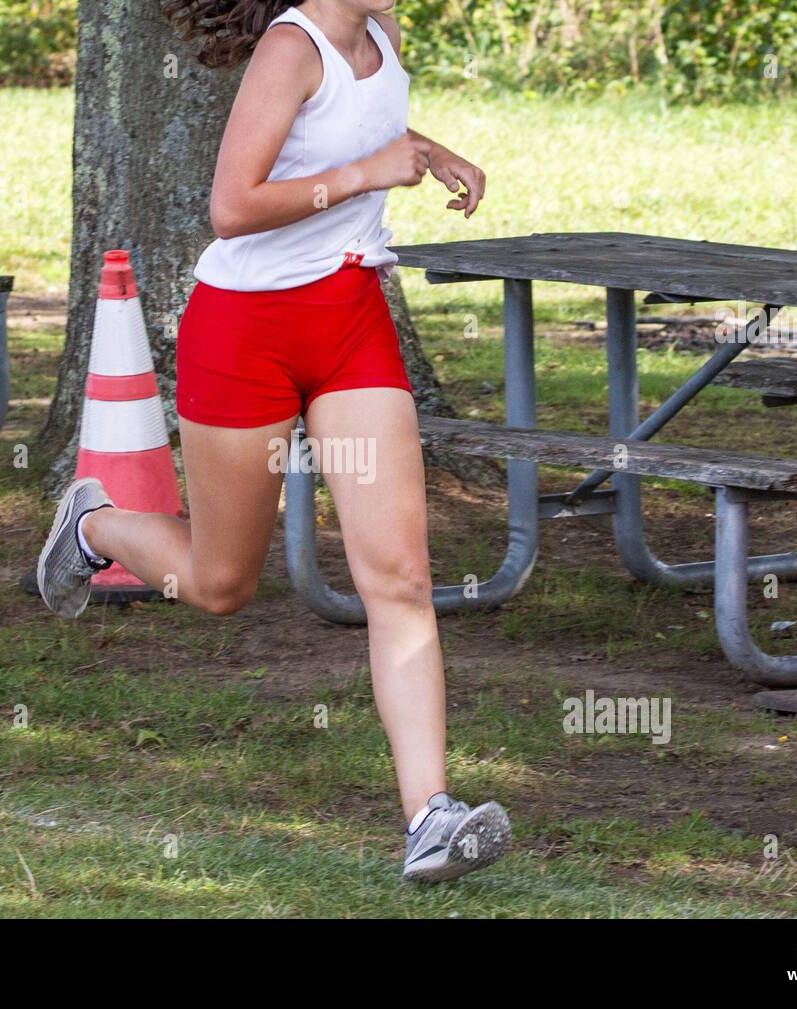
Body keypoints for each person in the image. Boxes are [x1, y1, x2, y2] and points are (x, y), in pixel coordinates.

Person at [38, 0, 510, 882]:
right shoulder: (289, 50)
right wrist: (373, 171)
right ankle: (94, 524)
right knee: (221, 583)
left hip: (351, 322)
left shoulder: (382, 34)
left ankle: (430, 816)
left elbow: (363, 127)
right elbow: (230, 206)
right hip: (245, 333)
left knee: (399, 573)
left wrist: (425, 152)